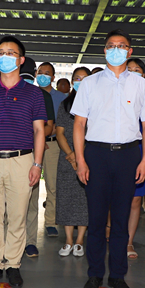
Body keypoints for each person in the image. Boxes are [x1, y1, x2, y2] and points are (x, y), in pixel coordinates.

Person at [72, 30, 145, 288]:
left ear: (130, 51)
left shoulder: (141, 84)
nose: (116, 50)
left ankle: (118, 276)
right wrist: (81, 160)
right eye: (111, 46)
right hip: (96, 154)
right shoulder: (90, 83)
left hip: (128, 155)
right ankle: (95, 274)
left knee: (121, 219)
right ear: (104, 50)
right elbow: (79, 124)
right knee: (97, 219)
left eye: (122, 46)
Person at [0, 36, 47, 288]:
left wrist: (37, 164)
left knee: (17, 216)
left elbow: (39, 131)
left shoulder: (34, 93)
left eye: (11, 52)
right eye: (1, 52)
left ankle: (13, 264)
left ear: (21, 60)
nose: (5, 56)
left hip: (22, 160)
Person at [19, 58, 55, 257]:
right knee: (7, 203)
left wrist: (35, 140)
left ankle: (30, 241)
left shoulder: (41, 95)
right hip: (5, 153)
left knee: (31, 198)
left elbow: (48, 126)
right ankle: (8, 242)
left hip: (30, 152)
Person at [55, 67, 91, 257]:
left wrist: (79, 155)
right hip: (66, 157)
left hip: (88, 157)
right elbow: (59, 132)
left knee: (84, 199)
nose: (81, 81)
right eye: (77, 78)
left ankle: (80, 240)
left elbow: (95, 132)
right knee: (66, 197)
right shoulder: (65, 104)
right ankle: (68, 240)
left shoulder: (96, 103)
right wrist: (71, 154)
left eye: (85, 78)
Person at [125, 58, 145, 259]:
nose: (132, 72)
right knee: (115, 199)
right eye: (129, 69)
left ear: (144, 75)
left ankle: (129, 242)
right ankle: (113, 234)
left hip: (140, 152)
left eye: (137, 69)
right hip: (119, 152)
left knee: (136, 200)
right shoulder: (114, 92)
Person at [36, 61, 68, 238]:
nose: (43, 75)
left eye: (47, 73)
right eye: (40, 72)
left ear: (53, 77)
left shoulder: (62, 98)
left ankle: (50, 222)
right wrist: (37, 140)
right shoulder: (30, 93)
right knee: (29, 185)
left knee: (53, 185)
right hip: (31, 144)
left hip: (52, 144)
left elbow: (62, 123)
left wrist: (45, 136)